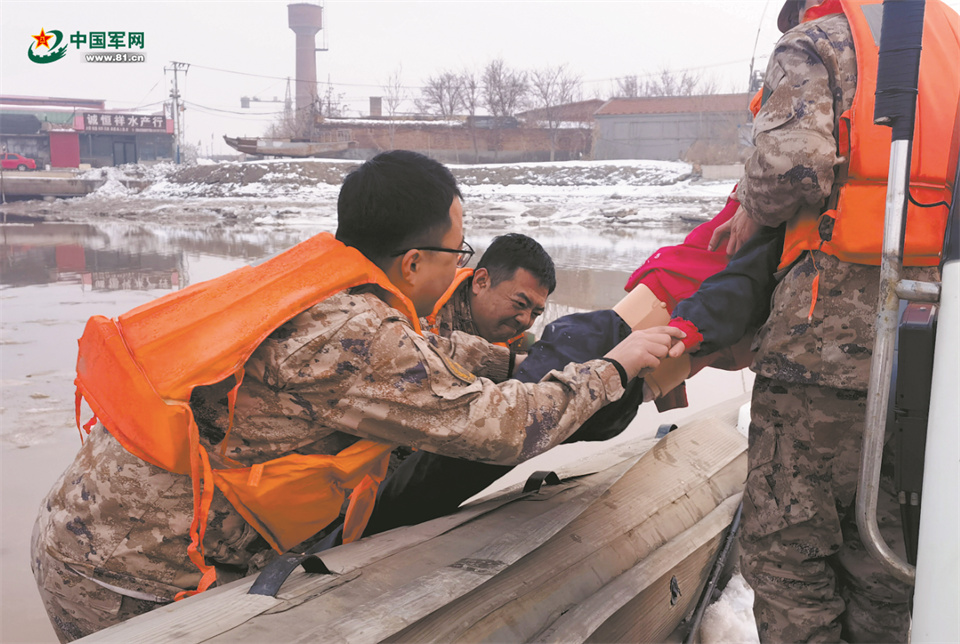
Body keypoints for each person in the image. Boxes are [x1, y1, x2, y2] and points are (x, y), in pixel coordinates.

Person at [31, 150, 684, 642]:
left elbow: (430, 360)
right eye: (457, 254)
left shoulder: (312, 284)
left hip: (82, 532)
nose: (460, 267)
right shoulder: (358, 331)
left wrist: (513, 357)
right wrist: (614, 367)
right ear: (413, 264)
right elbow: (504, 428)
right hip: (130, 577)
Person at [679, 1, 958, 641]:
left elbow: (792, 166)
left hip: (824, 346)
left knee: (788, 557)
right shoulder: (950, 42)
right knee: (888, 562)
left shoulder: (822, 40)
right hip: (936, 349)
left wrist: (751, 207)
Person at [428, 232, 555, 350]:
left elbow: (529, 343)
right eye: (520, 304)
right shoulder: (423, 312)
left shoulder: (505, 330)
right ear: (481, 281)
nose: (525, 320)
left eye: (535, 313)